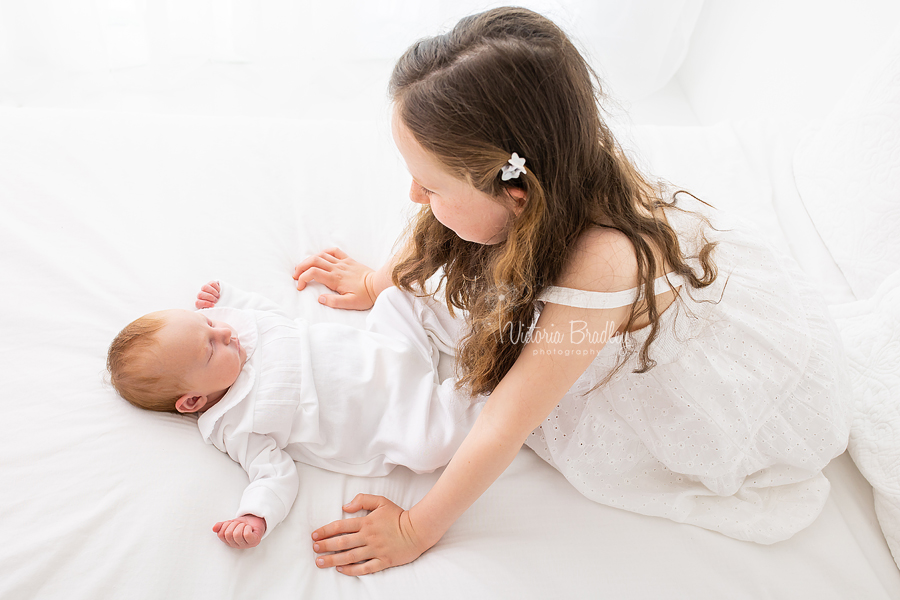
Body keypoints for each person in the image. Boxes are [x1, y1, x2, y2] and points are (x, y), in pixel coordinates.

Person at [296, 6, 851, 575]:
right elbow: (439, 235)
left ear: (514, 191)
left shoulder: (599, 267)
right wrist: (376, 281)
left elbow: (505, 420)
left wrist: (416, 527)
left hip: (695, 372)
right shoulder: (550, 165)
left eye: (431, 183)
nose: (414, 194)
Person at [106, 280, 481, 549]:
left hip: (389, 348)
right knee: (430, 448)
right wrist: (255, 515)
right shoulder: (236, 426)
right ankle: (484, 393)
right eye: (210, 348)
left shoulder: (247, 331)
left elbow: (265, 311)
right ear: (192, 401)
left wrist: (227, 296)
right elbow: (272, 474)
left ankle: (486, 333)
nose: (224, 333)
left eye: (209, 324)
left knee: (399, 297)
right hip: (396, 416)